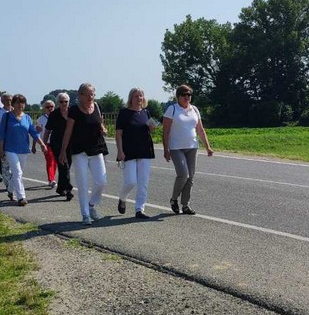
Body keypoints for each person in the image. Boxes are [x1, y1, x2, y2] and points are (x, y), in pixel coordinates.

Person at [60, 83, 108, 224]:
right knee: (83, 184)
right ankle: (85, 215)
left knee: (101, 181)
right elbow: (68, 131)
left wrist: (103, 129)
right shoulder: (74, 110)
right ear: (80, 95)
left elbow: (100, 123)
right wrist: (63, 151)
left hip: (96, 148)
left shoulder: (97, 107)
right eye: (87, 94)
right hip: (79, 151)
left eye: (92, 94)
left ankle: (91, 205)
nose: (90, 97)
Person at [162, 85, 213, 215]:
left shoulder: (194, 109)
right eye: (184, 95)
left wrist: (207, 146)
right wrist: (166, 149)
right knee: (183, 174)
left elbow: (200, 129)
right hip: (176, 147)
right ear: (178, 96)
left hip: (192, 146)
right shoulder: (172, 109)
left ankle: (185, 205)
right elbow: (166, 131)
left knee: (190, 177)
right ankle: (174, 199)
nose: (187, 98)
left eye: (189, 95)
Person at [116, 88, 157, 219]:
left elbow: (150, 130)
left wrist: (152, 128)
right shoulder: (124, 113)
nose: (139, 98)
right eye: (136, 96)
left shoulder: (146, 112)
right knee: (131, 181)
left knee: (143, 182)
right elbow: (118, 134)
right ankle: (122, 198)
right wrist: (120, 151)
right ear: (131, 99)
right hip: (128, 151)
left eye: (141, 96)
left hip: (144, 150)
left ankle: (140, 209)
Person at [0, 94, 45, 206]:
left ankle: (10, 190)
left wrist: (42, 144)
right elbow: (1, 135)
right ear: (13, 104)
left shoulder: (27, 118)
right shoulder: (6, 117)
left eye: (22, 102)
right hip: (10, 149)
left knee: (17, 174)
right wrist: (0, 149)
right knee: (17, 172)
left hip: (23, 149)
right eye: (18, 102)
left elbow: (33, 133)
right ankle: (21, 197)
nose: (20, 105)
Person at [44, 92, 74, 200]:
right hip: (57, 144)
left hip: (71, 144)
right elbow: (47, 130)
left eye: (66, 101)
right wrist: (44, 144)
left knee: (66, 167)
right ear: (58, 103)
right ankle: (69, 190)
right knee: (64, 166)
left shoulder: (73, 112)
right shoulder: (54, 114)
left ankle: (61, 188)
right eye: (61, 101)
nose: (64, 103)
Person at [34, 99, 57, 189]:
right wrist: (34, 145)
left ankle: (52, 178)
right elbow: (36, 133)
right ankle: (51, 179)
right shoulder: (41, 119)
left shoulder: (58, 117)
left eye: (51, 107)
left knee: (55, 162)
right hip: (46, 143)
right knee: (50, 161)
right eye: (47, 107)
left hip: (57, 143)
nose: (50, 108)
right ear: (44, 109)